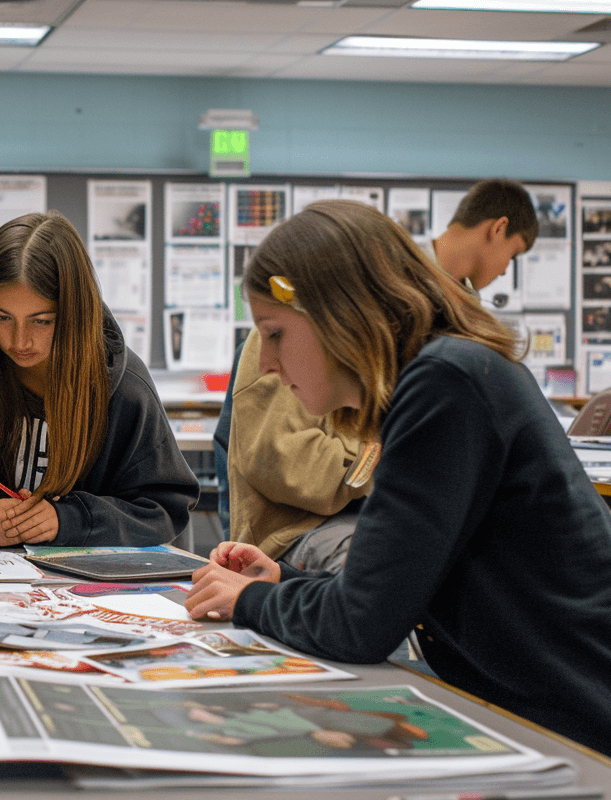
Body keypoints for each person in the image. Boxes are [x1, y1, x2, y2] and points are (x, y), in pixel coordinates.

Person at [186, 200, 611, 799]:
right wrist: (283, 583)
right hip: (561, 732)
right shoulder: (443, 377)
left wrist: (254, 599)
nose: (271, 364)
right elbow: (381, 593)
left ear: (339, 315)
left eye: (277, 335)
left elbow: (359, 629)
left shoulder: (445, 387)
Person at [220, 178, 538, 572]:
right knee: (385, 561)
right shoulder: (298, 331)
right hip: (312, 528)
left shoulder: (446, 357)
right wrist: (388, 460)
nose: (507, 269)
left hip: (379, 515)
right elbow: (285, 462)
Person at [0, 211, 197, 548]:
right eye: (2, 317)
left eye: (41, 321)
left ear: (75, 312)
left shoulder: (126, 388)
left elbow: (164, 509)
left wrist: (68, 520)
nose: (19, 341)